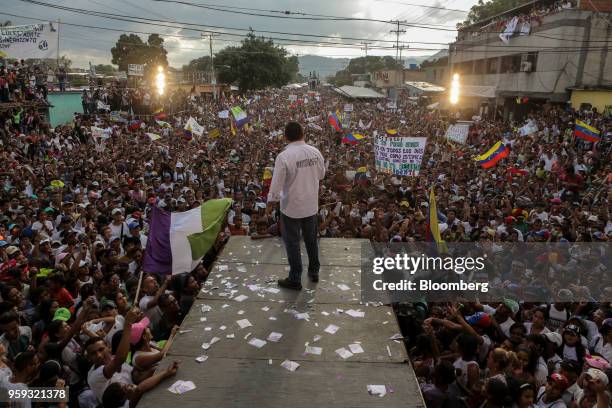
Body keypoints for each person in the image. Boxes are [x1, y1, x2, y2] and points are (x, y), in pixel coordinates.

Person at [266, 121, 325, 290]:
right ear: (303, 133)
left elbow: (276, 185)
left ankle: (295, 278)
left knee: (292, 242)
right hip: (311, 205)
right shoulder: (315, 152)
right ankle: (314, 272)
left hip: (291, 207)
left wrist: (270, 203)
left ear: (285, 137)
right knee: (311, 240)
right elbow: (321, 175)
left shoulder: (284, 156)